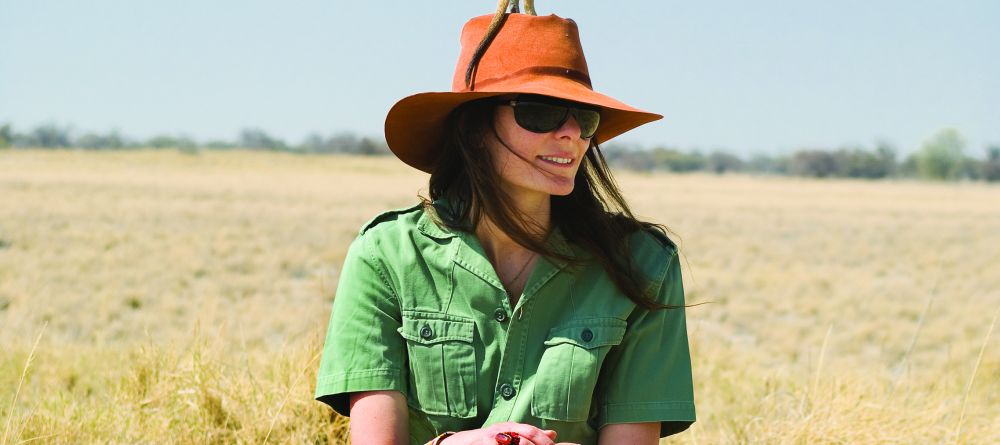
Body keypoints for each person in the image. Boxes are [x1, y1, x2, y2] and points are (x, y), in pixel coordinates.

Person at [315, 5, 695, 445]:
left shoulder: (644, 266)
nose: (572, 132)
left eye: (586, 116)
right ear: (474, 127)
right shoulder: (386, 256)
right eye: (541, 111)